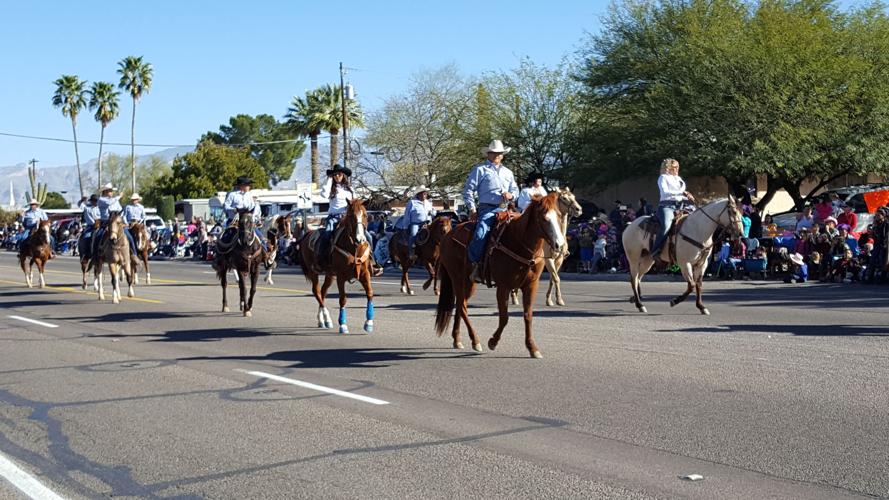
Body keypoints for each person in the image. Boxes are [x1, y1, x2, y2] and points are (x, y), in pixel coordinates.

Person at [463, 139, 519, 282]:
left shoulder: (508, 172)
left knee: (523, 229)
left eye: (499, 153)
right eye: (493, 153)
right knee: (481, 233)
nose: (496, 156)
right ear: (488, 154)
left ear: (503, 155)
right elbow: (468, 190)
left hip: (505, 209)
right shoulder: (480, 170)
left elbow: (515, 190)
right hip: (487, 209)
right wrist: (472, 208)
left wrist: (511, 195)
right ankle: (474, 265)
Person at [319, 164, 384, 276]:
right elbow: (324, 194)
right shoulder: (331, 188)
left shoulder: (350, 189)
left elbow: (355, 204)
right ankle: (322, 260)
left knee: (367, 236)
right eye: (335, 175)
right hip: (334, 217)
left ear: (343, 175)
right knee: (327, 234)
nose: (337, 176)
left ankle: (372, 261)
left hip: (348, 218)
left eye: (339, 174)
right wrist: (329, 179)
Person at [649, 158, 696, 260]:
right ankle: (655, 250)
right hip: (666, 206)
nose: (677, 169)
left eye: (678, 167)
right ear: (668, 168)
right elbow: (665, 192)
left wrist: (687, 197)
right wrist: (681, 193)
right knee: (666, 226)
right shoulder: (663, 178)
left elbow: (678, 195)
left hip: (680, 206)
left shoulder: (678, 179)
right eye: (675, 167)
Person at [94, 184, 137, 256]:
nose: (112, 192)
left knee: (129, 237)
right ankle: (96, 256)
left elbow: (121, 211)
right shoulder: (101, 199)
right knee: (98, 237)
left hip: (117, 222)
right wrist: (119, 196)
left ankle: (134, 254)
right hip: (106, 222)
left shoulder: (115, 200)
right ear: (105, 192)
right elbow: (109, 203)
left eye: (112, 191)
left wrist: (125, 222)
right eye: (110, 191)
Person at [398, 185, 436, 260]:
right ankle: (411, 251)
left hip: (427, 223)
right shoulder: (412, 202)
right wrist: (405, 227)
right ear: (418, 194)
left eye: (426, 193)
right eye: (423, 193)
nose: (425, 195)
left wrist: (432, 211)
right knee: (413, 234)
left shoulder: (428, 202)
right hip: (416, 223)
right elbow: (407, 215)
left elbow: (434, 213)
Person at [80, 194, 100, 259]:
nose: (95, 202)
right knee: (86, 237)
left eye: (96, 201)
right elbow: (79, 204)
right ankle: (86, 253)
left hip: (100, 226)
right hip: (90, 227)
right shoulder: (87, 208)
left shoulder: (101, 208)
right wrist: (82, 200)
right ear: (91, 201)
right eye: (93, 201)